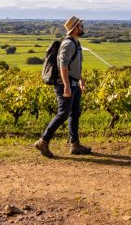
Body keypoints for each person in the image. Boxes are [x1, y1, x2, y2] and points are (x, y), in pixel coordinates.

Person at [34, 16, 92, 157]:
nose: (83, 27)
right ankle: (43, 142)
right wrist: (66, 86)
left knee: (74, 113)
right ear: (75, 28)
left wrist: (80, 79)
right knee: (63, 114)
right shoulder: (68, 44)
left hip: (73, 83)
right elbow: (63, 65)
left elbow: (75, 65)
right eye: (81, 25)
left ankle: (75, 145)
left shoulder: (76, 42)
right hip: (65, 84)